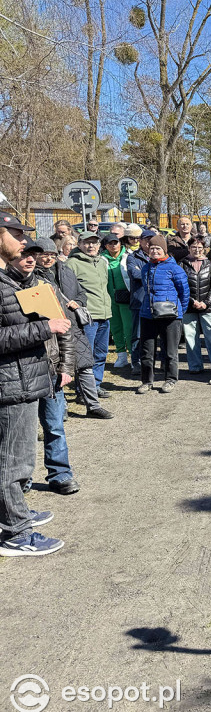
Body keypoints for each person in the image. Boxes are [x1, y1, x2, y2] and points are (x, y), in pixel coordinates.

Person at [0, 215, 73, 557]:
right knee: (13, 463)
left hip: (26, 381)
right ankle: (15, 533)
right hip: (11, 385)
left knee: (19, 459)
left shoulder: (11, 281)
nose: (23, 241)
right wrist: (45, 329)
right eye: (15, 234)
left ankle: (13, 514)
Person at [11, 243, 78, 495]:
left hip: (50, 370)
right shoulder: (6, 291)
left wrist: (66, 367)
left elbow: (65, 331)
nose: (29, 260)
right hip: (19, 374)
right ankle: (21, 480)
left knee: (54, 426)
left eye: (32, 255)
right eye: (23, 255)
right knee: (21, 433)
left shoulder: (46, 288)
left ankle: (60, 474)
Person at [36, 238, 111, 419]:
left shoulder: (66, 271)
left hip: (73, 326)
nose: (48, 259)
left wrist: (77, 303)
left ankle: (93, 406)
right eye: (44, 255)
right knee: (58, 370)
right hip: (50, 331)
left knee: (85, 366)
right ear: (36, 255)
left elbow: (81, 293)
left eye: (52, 255)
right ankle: (61, 410)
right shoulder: (33, 277)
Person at [137, 234, 189, 394]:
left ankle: (170, 379)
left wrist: (180, 311)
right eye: (152, 248)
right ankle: (147, 381)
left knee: (170, 351)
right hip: (148, 314)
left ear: (164, 250)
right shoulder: (146, 268)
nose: (154, 251)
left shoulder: (175, 269)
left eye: (158, 248)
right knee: (147, 351)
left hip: (170, 316)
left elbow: (184, 292)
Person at [66, 230, 112, 396]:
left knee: (101, 353)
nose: (90, 245)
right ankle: (83, 391)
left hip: (105, 314)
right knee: (86, 355)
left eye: (94, 242)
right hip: (87, 317)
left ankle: (96, 386)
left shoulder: (102, 262)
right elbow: (68, 291)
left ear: (99, 245)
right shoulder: (72, 264)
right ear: (79, 245)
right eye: (86, 242)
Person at [181, 236, 211, 374]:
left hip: (208, 307)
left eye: (200, 247)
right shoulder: (181, 264)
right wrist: (192, 301)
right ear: (189, 248)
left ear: (204, 249)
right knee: (191, 337)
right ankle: (195, 366)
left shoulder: (209, 264)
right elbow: (180, 286)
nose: (197, 250)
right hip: (189, 307)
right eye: (194, 247)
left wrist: (206, 303)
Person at [126, 228, 157, 374]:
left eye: (152, 239)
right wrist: (155, 274)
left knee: (157, 335)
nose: (149, 243)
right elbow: (135, 274)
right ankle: (136, 363)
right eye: (146, 239)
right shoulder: (133, 257)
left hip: (157, 301)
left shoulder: (161, 255)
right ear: (140, 241)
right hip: (139, 301)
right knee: (137, 335)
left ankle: (156, 362)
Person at [102, 233, 132, 369]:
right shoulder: (101, 259)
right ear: (105, 246)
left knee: (129, 328)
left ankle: (134, 356)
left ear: (120, 243)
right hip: (109, 297)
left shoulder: (128, 256)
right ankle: (121, 356)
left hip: (126, 296)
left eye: (116, 242)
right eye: (110, 243)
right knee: (116, 328)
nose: (113, 245)